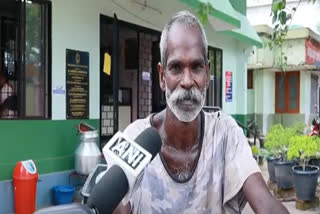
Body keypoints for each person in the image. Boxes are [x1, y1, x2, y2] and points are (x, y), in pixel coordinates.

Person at [113, 11, 289, 214]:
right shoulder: (135, 138)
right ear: (162, 77)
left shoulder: (225, 134)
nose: (187, 81)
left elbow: (264, 201)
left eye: (196, 67)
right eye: (176, 68)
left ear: (207, 73)